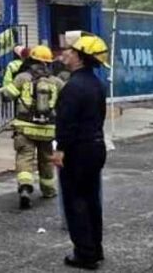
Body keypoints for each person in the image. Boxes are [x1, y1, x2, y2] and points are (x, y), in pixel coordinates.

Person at [52, 34, 108, 270]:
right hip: (95, 146)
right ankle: (95, 247)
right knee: (91, 199)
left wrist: (60, 149)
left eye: (70, 50)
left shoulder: (73, 87)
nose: (66, 53)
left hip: (77, 150)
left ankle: (84, 254)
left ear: (80, 57)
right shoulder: (96, 84)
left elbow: (67, 122)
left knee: (76, 201)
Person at [3, 45, 62, 208]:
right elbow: (66, 99)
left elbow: (7, 95)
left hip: (24, 127)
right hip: (48, 129)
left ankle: (25, 188)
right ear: (48, 63)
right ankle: (48, 190)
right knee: (46, 160)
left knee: (25, 158)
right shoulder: (55, 81)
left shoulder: (22, 77)